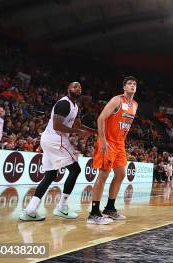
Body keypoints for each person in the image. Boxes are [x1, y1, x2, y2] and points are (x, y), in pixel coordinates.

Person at [20, 82, 95, 221]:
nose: (77, 88)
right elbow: (57, 125)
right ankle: (61, 207)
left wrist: (94, 131)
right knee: (75, 170)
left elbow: (78, 125)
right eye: (74, 86)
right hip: (56, 138)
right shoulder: (64, 104)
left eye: (79, 87)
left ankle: (30, 210)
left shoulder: (76, 107)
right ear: (68, 89)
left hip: (49, 140)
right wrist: (79, 132)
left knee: (50, 175)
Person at [88, 76, 138, 225]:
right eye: (129, 84)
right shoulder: (117, 100)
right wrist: (102, 139)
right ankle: (94, 213)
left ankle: (109, 208)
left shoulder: (135, 104)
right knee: (103, 174)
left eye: (134, 84)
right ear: (124, 87)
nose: (132, 86)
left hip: (120, 144)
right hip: (108, 142)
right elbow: (101, 118)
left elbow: (123, 125)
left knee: (121, 174)